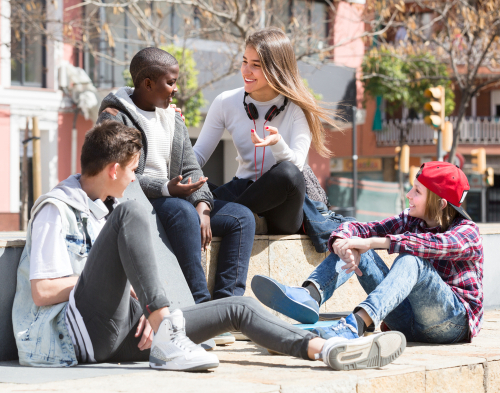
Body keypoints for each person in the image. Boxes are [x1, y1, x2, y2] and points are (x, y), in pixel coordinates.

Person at [11, 120, 406, 371]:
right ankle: (165, 328)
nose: (133, 179)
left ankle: (325, 348)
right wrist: (149, 310)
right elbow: (43, 290)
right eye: (132, 170)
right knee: (130, 214)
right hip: (71, 338)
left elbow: (109, 281)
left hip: (119, 331)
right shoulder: (57, 209)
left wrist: (136, 303)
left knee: (237, 307)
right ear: (114, 168)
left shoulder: (102, 208)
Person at [97, 48, 255, 329]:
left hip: (176, 201)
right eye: (170, 82)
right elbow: (120, 174)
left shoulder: (173, 118)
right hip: (137, 205)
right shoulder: (114, 117)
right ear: (147, 83)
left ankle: (225, 313)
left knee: (241, 218)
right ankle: (200, 310)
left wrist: (203, 208)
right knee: (182, 211)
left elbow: (192, 168)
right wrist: (167, 189)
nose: (175, 88)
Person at [252, 162, 483, 345]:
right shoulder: (410, 219)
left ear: (440, 203)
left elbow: (430, 245)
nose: (409, 194)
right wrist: (344, 241)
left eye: (418, 191)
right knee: (356, 242)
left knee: (412, 258)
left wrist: (374, 242)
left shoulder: (468, 233)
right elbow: (364, 228)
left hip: (449, 324)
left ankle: (356, 324)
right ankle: (310, 295)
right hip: (407, 322)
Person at [193, 27, 339, 235]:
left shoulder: (299, 108)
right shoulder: (225, 102)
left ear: (277, 69)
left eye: (256, 65)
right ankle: (243, 216)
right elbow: (197, 157)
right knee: (190, 185)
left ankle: (230, 214)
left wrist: (278, 144)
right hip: (243, 189)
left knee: (287, 172)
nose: (246, 71)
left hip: (283, 207)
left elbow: (296, 165)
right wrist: (174, 131)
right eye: (244, 62)